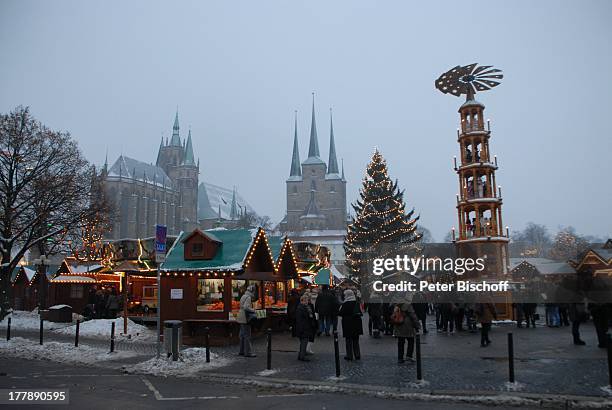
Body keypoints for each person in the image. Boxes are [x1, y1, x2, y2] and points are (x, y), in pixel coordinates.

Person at [338, 289, 363, 361]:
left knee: (348, 340)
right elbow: (361, 312)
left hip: (347, 323)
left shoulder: (345, 304)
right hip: (356, 323)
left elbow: (340, 313)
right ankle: (357, 354)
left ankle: (349, 355)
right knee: (356, 340)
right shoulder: (356, 303)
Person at [237, 284, 257, 357]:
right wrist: (253, 310)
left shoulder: (243, 296)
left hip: (241, 316)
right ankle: (248, 352)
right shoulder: (248, 297)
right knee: (247, 335)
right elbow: (246, 307)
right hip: (246, 317)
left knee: (242, 335)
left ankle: (241, 351)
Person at [295, 294, 317, 361]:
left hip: (306, 327)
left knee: (304, 342)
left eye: (307, 300)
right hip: (304, 328)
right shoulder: (300, 308)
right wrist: (302, 329)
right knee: (304, 342)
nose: (307, 301)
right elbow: (299, 320)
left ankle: (301, 355)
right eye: (306, 300)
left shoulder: (305, 307)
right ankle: (302, 356)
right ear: (303, 300)